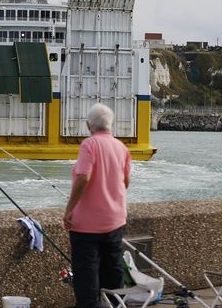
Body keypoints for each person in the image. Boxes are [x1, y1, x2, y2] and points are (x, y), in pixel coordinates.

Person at [63, 103, 131, 308]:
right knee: (113, 271)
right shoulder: (122, 147)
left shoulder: (89, 145)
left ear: (88, 125)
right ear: (112, 124)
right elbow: (125, 182)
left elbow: (83, 178)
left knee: (87, 277)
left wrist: (69, 210)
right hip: (115, 221)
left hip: (87, 226)